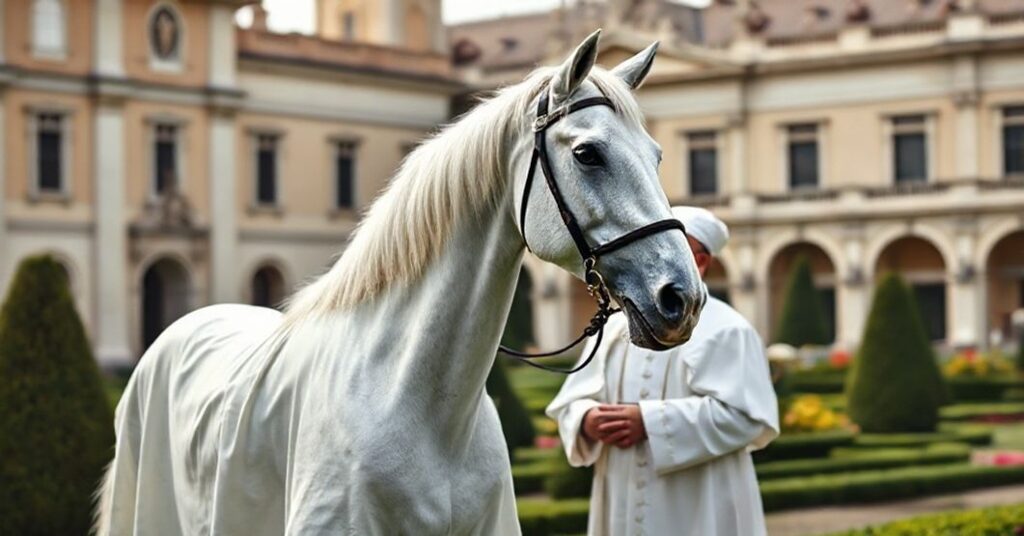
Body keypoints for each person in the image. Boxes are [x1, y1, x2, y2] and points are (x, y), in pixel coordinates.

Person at [546, 206, 779, 536]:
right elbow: (572, 401)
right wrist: (586, 419)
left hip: (700, 502)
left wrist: (649, 422)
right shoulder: (614, 327)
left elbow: (749, 417)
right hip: (620, 490)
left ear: (700, 262)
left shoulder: (729, 330)